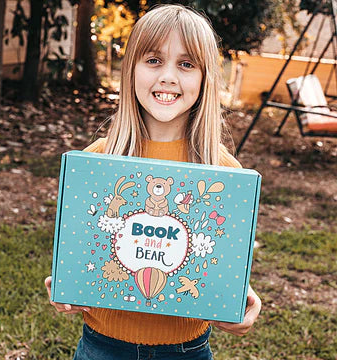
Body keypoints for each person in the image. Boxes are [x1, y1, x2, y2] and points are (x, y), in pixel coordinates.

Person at [45, 4, 261, 359]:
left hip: (186, 350)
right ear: (130, 70)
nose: (168, 77)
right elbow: (84, 246)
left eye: (187, 64)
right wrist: (66, 282)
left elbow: (218, 259)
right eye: (154, 60)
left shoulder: (224, 173)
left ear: (207, 78)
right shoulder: (98, 162)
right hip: (102, 347)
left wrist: (240, 297)